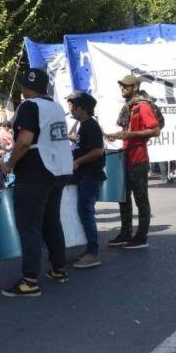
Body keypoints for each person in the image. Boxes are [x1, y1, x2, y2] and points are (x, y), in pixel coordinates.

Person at [0, 69, 73, 297]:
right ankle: (59, 269)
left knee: (29, 226)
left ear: (26, 88)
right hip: (59, 170)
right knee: (51, 222)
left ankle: (30, 280)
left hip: (36, 171)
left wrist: (9, 163)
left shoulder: (29, 106)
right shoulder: (56, 107)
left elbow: (24, 141)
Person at [105, 75, 161, 250]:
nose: (122, 89)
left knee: (140, 198)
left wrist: (130, 135)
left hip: (138, 158)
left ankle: (141, 236)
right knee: (123, 198)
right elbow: (129, 131)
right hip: (126, 157)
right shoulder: (129, 106)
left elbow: (155, 130)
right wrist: (117, 135)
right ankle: (125, 233)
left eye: (126, 86)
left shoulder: (142, 106)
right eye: (121, 86)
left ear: (135, 87)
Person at [67, 91, 105, 269]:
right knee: (84, 212)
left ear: (82, 109)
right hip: (85, 175)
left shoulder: (91, 125)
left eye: (73, 106)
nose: (71, 109)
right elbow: (84, 144)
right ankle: (89, 249)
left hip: (90, 175)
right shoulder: (83, 125)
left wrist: (78, 161)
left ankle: (93, 253)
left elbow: (98, 150)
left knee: (86, 212)